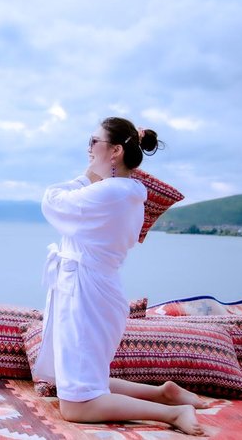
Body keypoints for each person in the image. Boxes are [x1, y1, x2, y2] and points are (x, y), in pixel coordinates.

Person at [33, 116, 206, 436]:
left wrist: (87, 175)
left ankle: (171, 412)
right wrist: (94, 174)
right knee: (82, 381)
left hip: (86, 294)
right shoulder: (127, 192)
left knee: (76, 406)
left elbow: (52, 201)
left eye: (93, 142)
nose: (88, 148)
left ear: (115, 151)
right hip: (94, 290)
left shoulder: (111, 192)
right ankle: (163, 393)